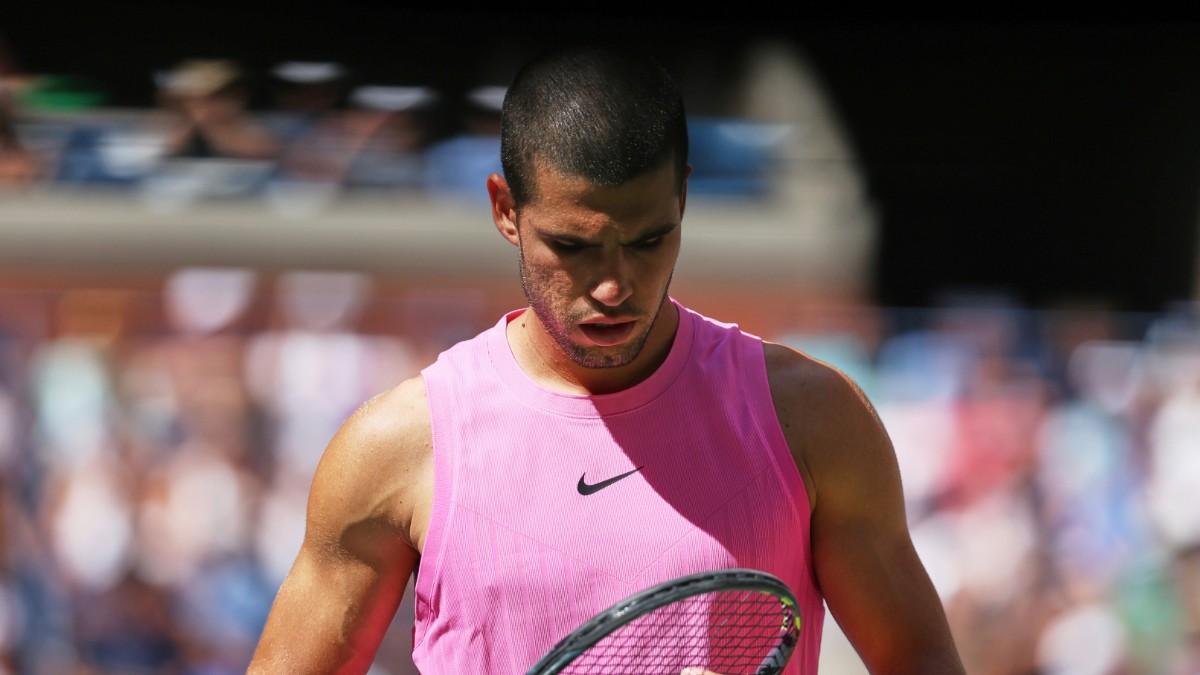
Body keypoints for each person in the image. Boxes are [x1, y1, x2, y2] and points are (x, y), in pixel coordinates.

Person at [249, 46, 965, 674]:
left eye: (649, 240)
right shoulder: (396, 448)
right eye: (574, 246)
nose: (614, 285)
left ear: (684, 195)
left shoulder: (813, 419)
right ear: (505, 209)